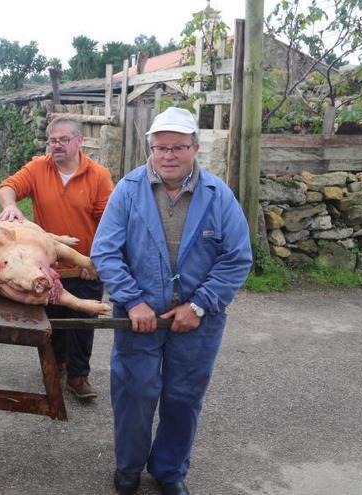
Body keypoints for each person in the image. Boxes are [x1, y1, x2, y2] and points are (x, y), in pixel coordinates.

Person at [90, 107, 253, 495]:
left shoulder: (219, 195)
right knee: (135, 393)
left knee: (183, 396)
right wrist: (131, 301)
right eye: (160, 147)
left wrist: (199, 305)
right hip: (139, 317)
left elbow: (237, 257)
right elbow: (106, 252)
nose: (168, 155)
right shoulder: (128, 191)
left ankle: (169, 470)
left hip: (198, 319)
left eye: (178, 147)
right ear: (150, 149)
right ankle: (128, 468)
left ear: (196, 148)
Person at [0, 116, 114, 400]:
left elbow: (109, 223)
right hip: (46, 267)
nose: (57, 145)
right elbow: (7, 187)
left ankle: (78, 377)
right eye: (53, 140)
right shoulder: (38, 168)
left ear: (79, 141)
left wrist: (93, 261)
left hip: (84, 266)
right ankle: (56, 365)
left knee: (83, 320)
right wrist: (11, 206)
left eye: (63, 140)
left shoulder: (98, 175)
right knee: (52, 319)